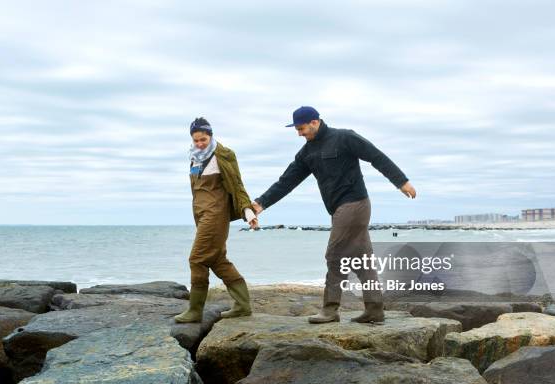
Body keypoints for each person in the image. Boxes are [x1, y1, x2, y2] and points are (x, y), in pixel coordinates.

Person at [252, 106, 416, 324]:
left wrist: (401, 182)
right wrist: (261, 204)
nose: (299, 133)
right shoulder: (306, 153)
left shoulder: (344, 137)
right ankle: (375, 309)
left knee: (335, 256)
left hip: (355, 204)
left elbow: (376, 156)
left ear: (315, 122)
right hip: (338, 209)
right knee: (362, 262)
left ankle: (330, 310)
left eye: (301, 128)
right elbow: (286, 182)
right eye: (296, 129)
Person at [175, 117, 258, 323]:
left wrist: (248, 212)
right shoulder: (194, 158)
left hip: (215, 215)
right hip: (201, 215)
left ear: (210, 135)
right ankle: (242, 305)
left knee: (197, 259)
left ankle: (195, 311)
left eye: (203, 139)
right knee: (217, 260)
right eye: (196, 140)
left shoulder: (224, 155)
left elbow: (237, 185)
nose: (200, 144)